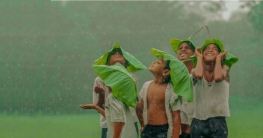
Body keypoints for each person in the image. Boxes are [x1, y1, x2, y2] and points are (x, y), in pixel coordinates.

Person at [80, 43, 146, 138]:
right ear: (107, 63)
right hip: (108, 123)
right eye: (113, 53)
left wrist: (142, 124)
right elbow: (103, 108)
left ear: (126, 62)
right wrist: (102, 95)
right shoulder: (99, 79)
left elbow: (134, 102)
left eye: (120, 53)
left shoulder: (131, 77)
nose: (117, 54)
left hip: (130, 121)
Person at [137, 48, 192, 138]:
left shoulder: (171, 89)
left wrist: (175, 136)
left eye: (158, 63)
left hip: (162, 130)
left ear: (165, 72)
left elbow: (176, 116)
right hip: (148, 128)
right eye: (155, 61)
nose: (154, 62)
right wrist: (128, 100)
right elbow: (141, 106)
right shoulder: (146, 85)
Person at [190, 38, 238, 138]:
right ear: (201, 54)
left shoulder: (224, 68)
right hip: (198, 120)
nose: (210, 50)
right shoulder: (195, 70)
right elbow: (198, 75)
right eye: (207, 49)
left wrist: (218, 59)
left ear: (221, 55)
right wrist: (198, 57)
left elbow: (218, 78)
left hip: (218, 120)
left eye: (215, 49)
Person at [170, 27, 203, 138]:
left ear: (195, 53)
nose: (183, 50)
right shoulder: (171, 76)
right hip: (178, 129)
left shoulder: (200, 73)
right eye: (180, 48)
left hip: (198, 126)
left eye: (187, 48)